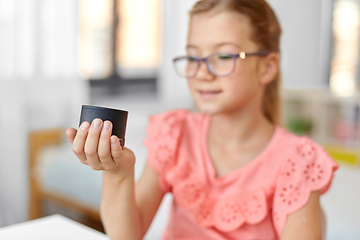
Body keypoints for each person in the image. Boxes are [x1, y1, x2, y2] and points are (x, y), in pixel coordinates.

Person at [66, 0, 339, 239]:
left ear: (267, 67)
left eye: (222, 56)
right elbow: (127, 235)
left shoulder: (298, 163)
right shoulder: (176, 133)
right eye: (193, 56)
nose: (202, 72)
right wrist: (118, 173)